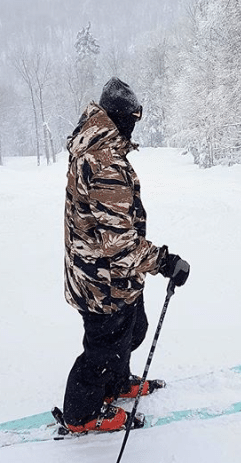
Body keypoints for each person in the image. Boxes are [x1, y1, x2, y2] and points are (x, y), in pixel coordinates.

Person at [62, 77, 190, 433]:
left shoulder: (102, 150)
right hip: (103, 281)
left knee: (132, 331)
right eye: (133, 118)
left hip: (111, 276)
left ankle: (115, 384)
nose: (136, 124)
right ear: (120, 119)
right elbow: (119, 247)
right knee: (103, 350)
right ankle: (81, 414)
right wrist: (164, 262)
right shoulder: (105, 165)